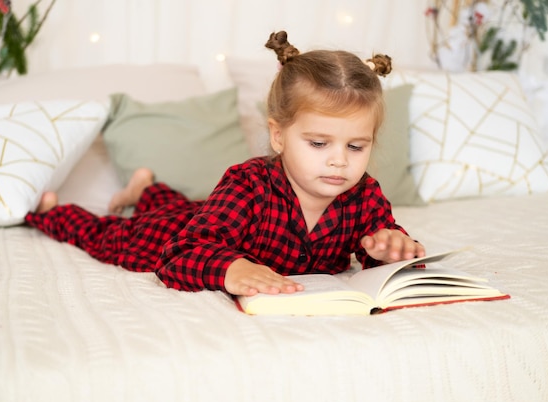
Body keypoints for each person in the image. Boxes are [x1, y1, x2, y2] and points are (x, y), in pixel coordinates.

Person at [25, 30, 425, 297]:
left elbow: (377, 244)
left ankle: (146, 188)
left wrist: (389, 249)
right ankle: (53, 211)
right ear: (278, 135)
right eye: (319, 143)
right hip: (178, 231)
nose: (339, 160)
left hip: (204, 212)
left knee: (183, 206)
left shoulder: (364, 193)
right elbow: (179, 254)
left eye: (356, 147)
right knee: (112, 236)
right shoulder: (247, 184)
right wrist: (230, 268)